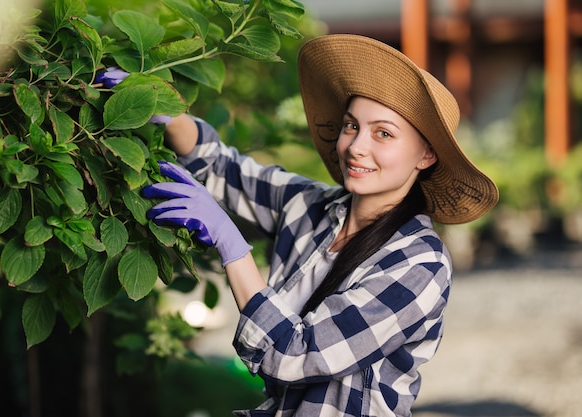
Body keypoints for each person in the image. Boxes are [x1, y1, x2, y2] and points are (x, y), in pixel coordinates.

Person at [104, 34, 498, 416]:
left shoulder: (419, 264)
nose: (357, 146)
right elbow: (224, 170)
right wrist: (168, 112)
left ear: (426, 155)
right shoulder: (310, 207)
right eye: (351, 125)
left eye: (383, 133)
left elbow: (297, 353)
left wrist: (232, 244)